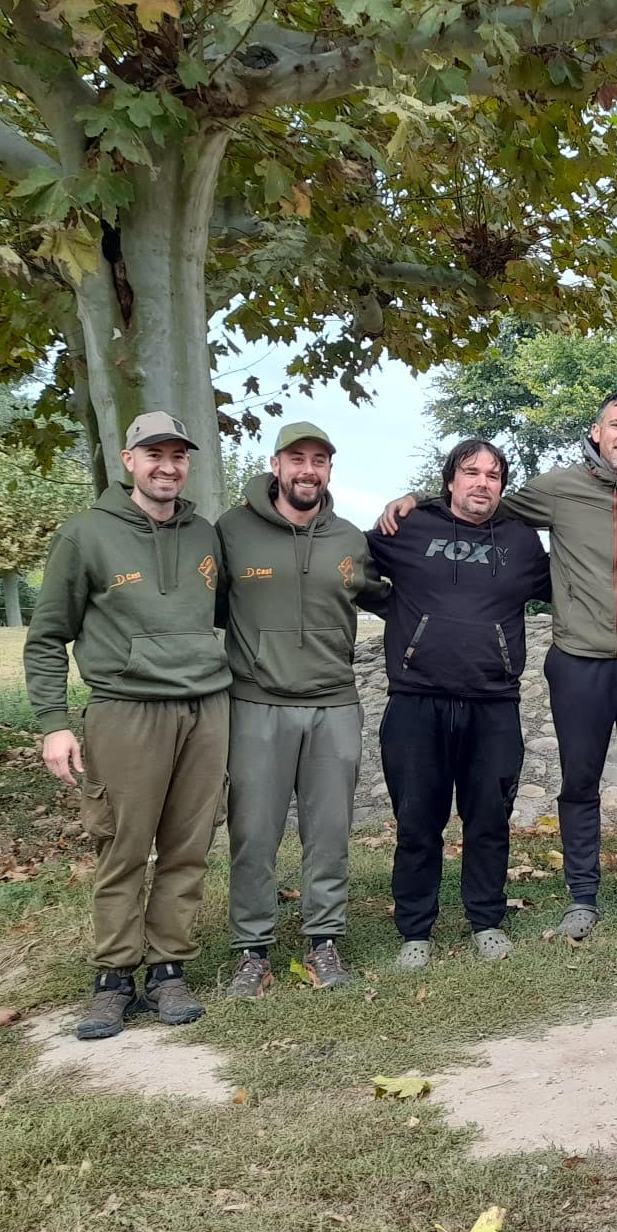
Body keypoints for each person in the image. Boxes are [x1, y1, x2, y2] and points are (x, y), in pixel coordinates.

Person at [380, 394, 617, 940]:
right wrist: (417, 498)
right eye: (616, 425)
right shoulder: (556, 487)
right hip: (577, 662)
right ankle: (581, 895)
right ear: (596, 433)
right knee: (579, 783)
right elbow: (480, 502)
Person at [24, 412, 228, 1041]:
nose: (167, 466)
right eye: (154, 454)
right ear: (127, 460)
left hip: (205, 709)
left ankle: (168, 969)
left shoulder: (206, 536)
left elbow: (222, 613)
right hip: (125, 710)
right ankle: (113, 977)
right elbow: (46, 637)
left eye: (177, 455)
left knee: (188, 847)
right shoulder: (86, 535)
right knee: (122, 846)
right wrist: (54, 724)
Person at [217, 421, 389, 997]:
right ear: (276, 465)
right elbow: (208, 606)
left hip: (334, 704)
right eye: (297, 459)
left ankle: (325, 941)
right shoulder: (231, 532)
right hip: (257, 703)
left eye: (319, 460)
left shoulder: (348, 539)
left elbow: (390, 596)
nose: (308, 470)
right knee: (254, 831)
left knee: (329, 831)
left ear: (329, 471)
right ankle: (252, 949)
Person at [369, 438, 550, 967]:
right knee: (418, 819)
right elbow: (340, 562)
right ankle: (416, 930)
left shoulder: (520, 542)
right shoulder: (406, 529)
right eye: (471, 472)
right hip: (415, 700)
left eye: (493, 476)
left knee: (489, 817)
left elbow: (573, 584)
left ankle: (486, 920)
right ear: (449, 480)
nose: (481, 483)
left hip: (493, 702)